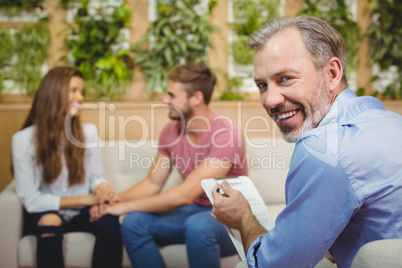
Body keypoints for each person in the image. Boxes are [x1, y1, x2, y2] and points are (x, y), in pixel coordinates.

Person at [211, 15, 402, 268]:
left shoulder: (322, 148)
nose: (269, 100)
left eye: (285, 79)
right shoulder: (389, 120)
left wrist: (243, 217)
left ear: (332, 73)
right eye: (261, 85)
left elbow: (274, 265)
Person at [90, 62, 248, 268]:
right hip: (191, 213)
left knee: (198, 226)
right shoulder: (171, 131)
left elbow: (185, 194)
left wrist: (122, 208)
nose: (165, 100)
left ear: (196, 98)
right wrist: (113, 201)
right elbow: (152, 183)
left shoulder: (226, 134)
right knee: (132, 223)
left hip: (228, 218)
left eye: (171, 95)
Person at [11, 66, 122, 268]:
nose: (80, 97)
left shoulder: (88, 133)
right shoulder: (23, 140)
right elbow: (31, 200)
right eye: (73, 90)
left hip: (82, 211)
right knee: (50, 221)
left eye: (81, 92)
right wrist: (83, 199)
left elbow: (97, 176)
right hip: (47, 210)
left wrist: (102, 187)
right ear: (53, 93)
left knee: (110, 220)